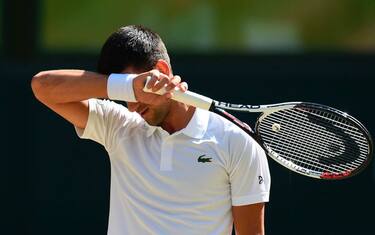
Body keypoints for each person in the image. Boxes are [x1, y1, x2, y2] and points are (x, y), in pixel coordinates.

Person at [31, 25, 271, 235]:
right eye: (126, 96)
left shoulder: (238, 143)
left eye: (138, 93)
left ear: (162, 70)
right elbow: (42, 86)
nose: (133, 106)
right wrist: (126, 87)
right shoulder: (119, 125)